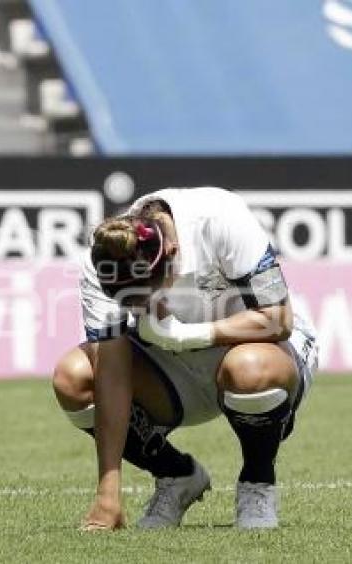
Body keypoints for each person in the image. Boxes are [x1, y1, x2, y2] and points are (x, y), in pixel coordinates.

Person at [52, 187, 318, 531]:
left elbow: (278, 319)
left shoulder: (221, 216)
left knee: (250, 370)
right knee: (73, 377)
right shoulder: (107, 258)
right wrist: (108, 493)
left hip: (261, 349)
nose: (136, 309)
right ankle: (176, 476)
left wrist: (183, 336)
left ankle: (257, 482)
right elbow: (112, 375)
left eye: (143, 297)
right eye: (127, 302)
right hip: (171, 369)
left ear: (173, 255)